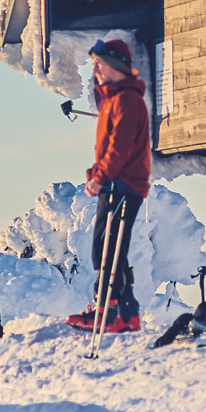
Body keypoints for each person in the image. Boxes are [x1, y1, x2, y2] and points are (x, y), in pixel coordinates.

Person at [67, 39, 150, 333]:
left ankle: (106, 311)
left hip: (122, 183)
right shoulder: (114, 100)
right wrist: (96, 172)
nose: (96, 70)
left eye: (100, 64)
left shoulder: (126, 100)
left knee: (106, 248)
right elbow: (109, 150)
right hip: (118, 181)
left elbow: (120, 148)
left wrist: (101, 176)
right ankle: (126, 313)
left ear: (116, 65)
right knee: (113, 247)